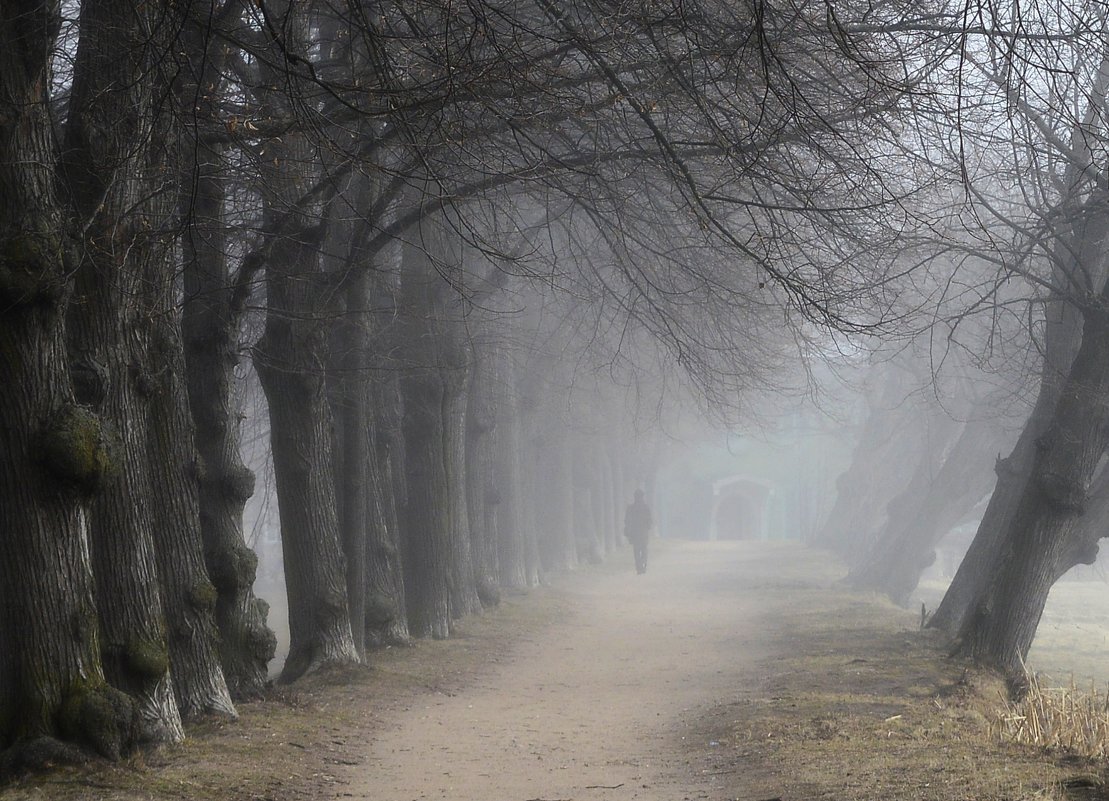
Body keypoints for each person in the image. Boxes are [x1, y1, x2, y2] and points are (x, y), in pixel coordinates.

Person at [624, 489, 653, 574]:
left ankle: (639, 567)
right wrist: (648, 527)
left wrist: (628, 531)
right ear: (642, 497)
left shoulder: (630, 508)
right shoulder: (646, 508)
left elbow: (627, 520)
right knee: (644, 549)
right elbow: (650, 521)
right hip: (643, 533)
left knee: (636, 550)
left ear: (635, 497)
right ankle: (643, 564)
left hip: (634, 533)